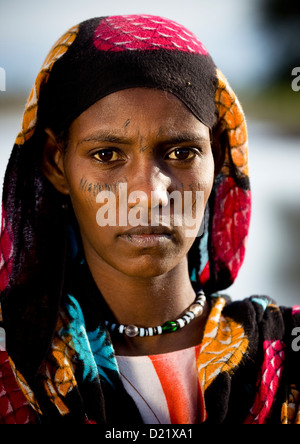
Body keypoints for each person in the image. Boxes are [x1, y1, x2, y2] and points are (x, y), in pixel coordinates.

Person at [0, 14, 299, 425]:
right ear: (56, 163)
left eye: (182, 153)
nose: (149, 194)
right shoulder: (15, 370)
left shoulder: (288, 357)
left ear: (218, 157)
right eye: (107, 155)